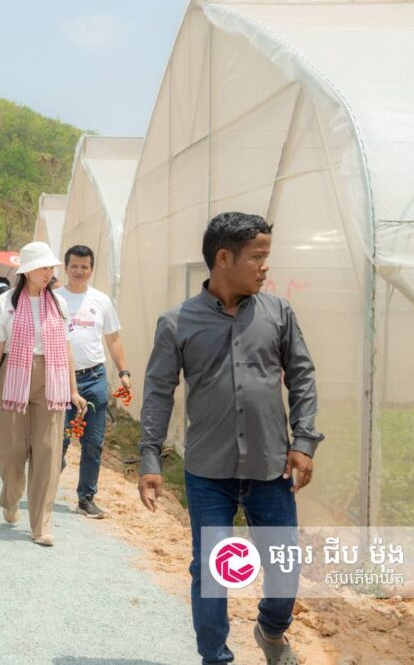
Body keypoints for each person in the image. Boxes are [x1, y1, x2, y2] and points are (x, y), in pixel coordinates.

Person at [138, 212, 322, 665]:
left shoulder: (278, 313)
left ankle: (272, 629)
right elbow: (159, 392)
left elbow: (302, 376)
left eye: (266, 256)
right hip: (208, 473)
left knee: (284, 567)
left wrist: (303, 441)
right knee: (211, 570)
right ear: (224, 258)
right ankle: (214, 657)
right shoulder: (177, 323)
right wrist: (150, 458)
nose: (265, 266)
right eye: (257, 257)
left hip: (270, 467)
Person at [0, 241, 86, 547]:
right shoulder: (6, 303)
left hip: (51, 378)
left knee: (48, 452)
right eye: (43, 267)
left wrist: (73, 390)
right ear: (27, 271)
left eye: (50, 267)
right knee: (10, 450)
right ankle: (11, 496)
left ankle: (41, 524)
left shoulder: (59, 303)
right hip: (14, 376)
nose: (48, 273)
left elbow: (66, 347)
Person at [56, 245, 132, 519]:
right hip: (61, 380)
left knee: (93, 442)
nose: (79, 271)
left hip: (94, 378)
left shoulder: (101, 300)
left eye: (84, 267)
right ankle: (48, 482)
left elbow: (113, 338)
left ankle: (86, 497)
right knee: (59, 440)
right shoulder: (55, 299)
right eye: (74, 266)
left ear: (91, 269)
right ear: (66, 268)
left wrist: (124, 372)